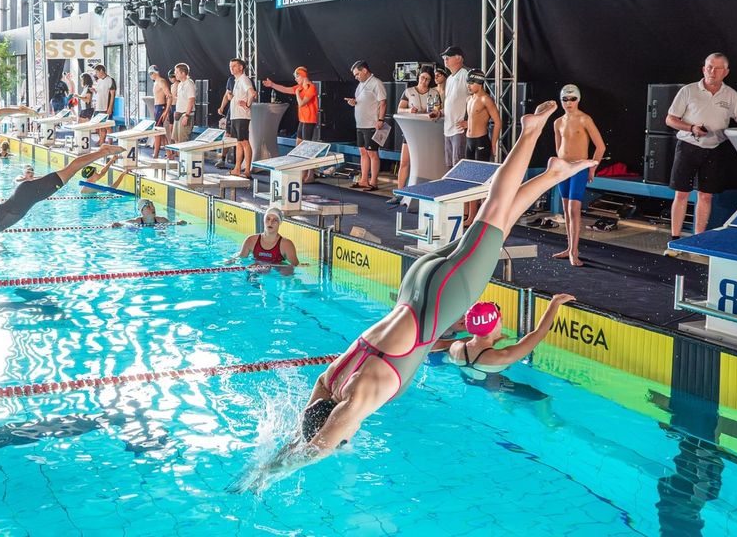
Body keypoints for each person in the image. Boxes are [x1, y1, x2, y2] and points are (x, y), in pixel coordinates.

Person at [233, 101, 596, 490]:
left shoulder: (359, 395)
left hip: (442, 297)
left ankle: (529, 131)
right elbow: (309, 428)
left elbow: (317, 444)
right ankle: (552, 173)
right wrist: (267, 464)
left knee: (493, 213)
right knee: (493, 226)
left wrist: (271, 477)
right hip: (415, 286)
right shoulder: (330, 380)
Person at [664, 53, 737, 255]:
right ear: (703, 68)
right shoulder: (688, 91)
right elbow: (670, 120)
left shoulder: (731, 95)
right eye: (708, 67)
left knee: (705, 196)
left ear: (725, 72)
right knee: (681, 194)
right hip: (688, 145)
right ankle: (674, 240)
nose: (711, 71)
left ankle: (698, 240)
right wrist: (691, 128)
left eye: (717, 68)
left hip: (715, 149)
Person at [0, 145, 125, 253]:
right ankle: (103, 151)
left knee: (70, 171)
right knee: (69, 172)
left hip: (29, 193)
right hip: (27, 196)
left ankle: (104, 151)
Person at [433, 294, 576, 381]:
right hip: (494, 385)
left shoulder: (456, 347)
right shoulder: (502, 356)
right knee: (541, 398)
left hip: (467, 378)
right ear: (495, 326)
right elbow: (539, 333)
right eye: (499, 321)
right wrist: (554, 303)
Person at [552, 85, 607, 267]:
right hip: (563, 169)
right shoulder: (558, 122)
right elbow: (559, 148)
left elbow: (600, 146)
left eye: (572, 99)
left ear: (578, 100)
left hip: (578, 168)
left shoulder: (585, 119)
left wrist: (592, 168)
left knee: (573, 211)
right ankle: (569, 248)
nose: (569, 103)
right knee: (566, 210)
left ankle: (575, 251)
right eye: (565, 100)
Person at [386, 69, 442, 206]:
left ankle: (424, 193)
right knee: (405, 161)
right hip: (411, 131)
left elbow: (438, 110)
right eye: (422, 78)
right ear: (418, 77)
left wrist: (434, 113)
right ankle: (399, 193)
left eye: (427, 79)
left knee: (425, 164)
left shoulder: (434, 93)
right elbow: (400, 109)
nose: (424, 81)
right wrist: (409, 110)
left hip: (428, 132)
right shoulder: (409, 91)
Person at [264, 67, 321, 183]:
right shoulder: (299, 88)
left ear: (303, 76)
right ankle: (302, 172)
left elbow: (301, 103)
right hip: (303, 120)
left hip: (310, 120)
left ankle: (310, 173)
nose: (295, 80)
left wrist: (296, 94)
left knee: (307, 149)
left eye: (297, 77)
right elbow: (285, 89)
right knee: (299, 147)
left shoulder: (311, 88)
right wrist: (272, 85)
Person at [459, 69, 502, 221]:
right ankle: (471, 216)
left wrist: (493, 143)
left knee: (481, 181)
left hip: (481, 141)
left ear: (479, 83)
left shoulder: (486, 100)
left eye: (471, 83)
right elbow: (472, 118)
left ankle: (483, 216)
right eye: (468, 83)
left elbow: (497, 122)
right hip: (469, 141)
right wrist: (466, 124)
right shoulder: (469, 99)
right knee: (469, 180)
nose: (469, 86)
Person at [344, 60, 387, 191]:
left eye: (357, 74)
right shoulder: (360, 85)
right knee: (363, 152)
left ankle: (373, 182)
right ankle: (364, 180)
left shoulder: (376, 83)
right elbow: (362, 101)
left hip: (371, 124)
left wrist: (380, 119)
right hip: (360, 124)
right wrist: (354, 102)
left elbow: (383, 102)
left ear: (364, 70)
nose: (356, 77)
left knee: (372, 153)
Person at [218, 58, 256, 177]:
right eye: (230, 66)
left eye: (234, 66)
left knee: (244, 142)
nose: (231, 68)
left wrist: (248, 104)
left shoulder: (244, 79)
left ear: (241, 67)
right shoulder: (236, 80)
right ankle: (237, 168)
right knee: (239, 142)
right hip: (235, 115)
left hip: (242, 116)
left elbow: (253, 93)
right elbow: (231, 96)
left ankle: (247, 170)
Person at [235, 207, 300, 266]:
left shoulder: (287, 245)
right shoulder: (251, 240)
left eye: (275, 220)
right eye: (268, 219)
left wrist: (271, 266)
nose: (270, 222)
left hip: (276, 276)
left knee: (285, 272)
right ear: (264, 220)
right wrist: (228, 262)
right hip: (256, 274)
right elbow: (241, 259)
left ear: (279, 223)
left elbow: (295, 267)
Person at [440, 46, 470, 174]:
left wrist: (469, 121)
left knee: (458, 166)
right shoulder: (450, 79)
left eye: (448, 56)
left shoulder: (466, 74)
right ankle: (451, 192)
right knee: (450, 166)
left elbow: (476, 99)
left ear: (458, 58)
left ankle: (460, 193)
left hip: (459, 129)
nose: (444, 59)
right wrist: (439, 112)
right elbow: (450, 102)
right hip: (448, 129)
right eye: (444, 57)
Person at [147, 65, 172, 160]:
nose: (150, 76)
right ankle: (168, 153)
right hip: (157, 108)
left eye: (150, 74)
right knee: (160, 132)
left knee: (157, 132)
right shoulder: (156, 82)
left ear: (152, 73)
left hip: (161, 108)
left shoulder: (161, 81)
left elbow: (169, 96)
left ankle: (156, 154)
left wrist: (166, 111)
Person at [170, 63, 196, 151]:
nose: (175, 74)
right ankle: (179, 162)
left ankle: (184, 163)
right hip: (179, 114)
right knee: (176, 139)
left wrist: (187, 115)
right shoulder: (180, 84)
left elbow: (191, 99)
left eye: (177, 72)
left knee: (183, 140)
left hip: (185, 115)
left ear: (183, 73)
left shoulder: (189, 83)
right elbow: (182, 99)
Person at [91, 64, 117, 147]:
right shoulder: (99, 80)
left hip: (105, 107)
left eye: (97, 72)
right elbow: (99, 92)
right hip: (99, 106)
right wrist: (94, 90)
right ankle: (102, 141)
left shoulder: (110, 80)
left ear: (101, 71)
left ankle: (110, 143)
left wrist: (110, 107)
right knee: (100, 126)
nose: (96, 74)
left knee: (107, 126)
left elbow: (112, 95)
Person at [112, 198, 187, 227]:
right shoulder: (137, 221)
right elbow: (123, 223)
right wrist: (118, 224)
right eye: (148, 207)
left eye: (153, 206)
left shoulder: (162, 220)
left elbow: (172, 224)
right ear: (142, 211)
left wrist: (179, 223)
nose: (152, 208)